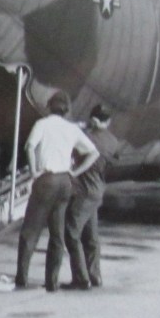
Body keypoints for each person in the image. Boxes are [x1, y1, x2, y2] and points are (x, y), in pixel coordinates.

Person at [16, 91, 100, 291]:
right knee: (57, 233)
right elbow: (93, 152)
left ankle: (22, 277)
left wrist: (34, 171)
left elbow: (29, 147)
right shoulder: (71, 128)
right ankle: (51, 282)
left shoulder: (42, 124)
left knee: (30, 231)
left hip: (46, 179)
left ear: (49, 107)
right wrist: (75, 171)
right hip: (64, 181)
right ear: (66, 110)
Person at [62, 104, 120, 289]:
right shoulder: (113, 141)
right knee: (91, 236)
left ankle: (81, 278)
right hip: (98, 189)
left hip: (83, 191)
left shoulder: (85, 136)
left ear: (93, 119)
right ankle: (95, 276)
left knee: (71, 233)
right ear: (108, 121)